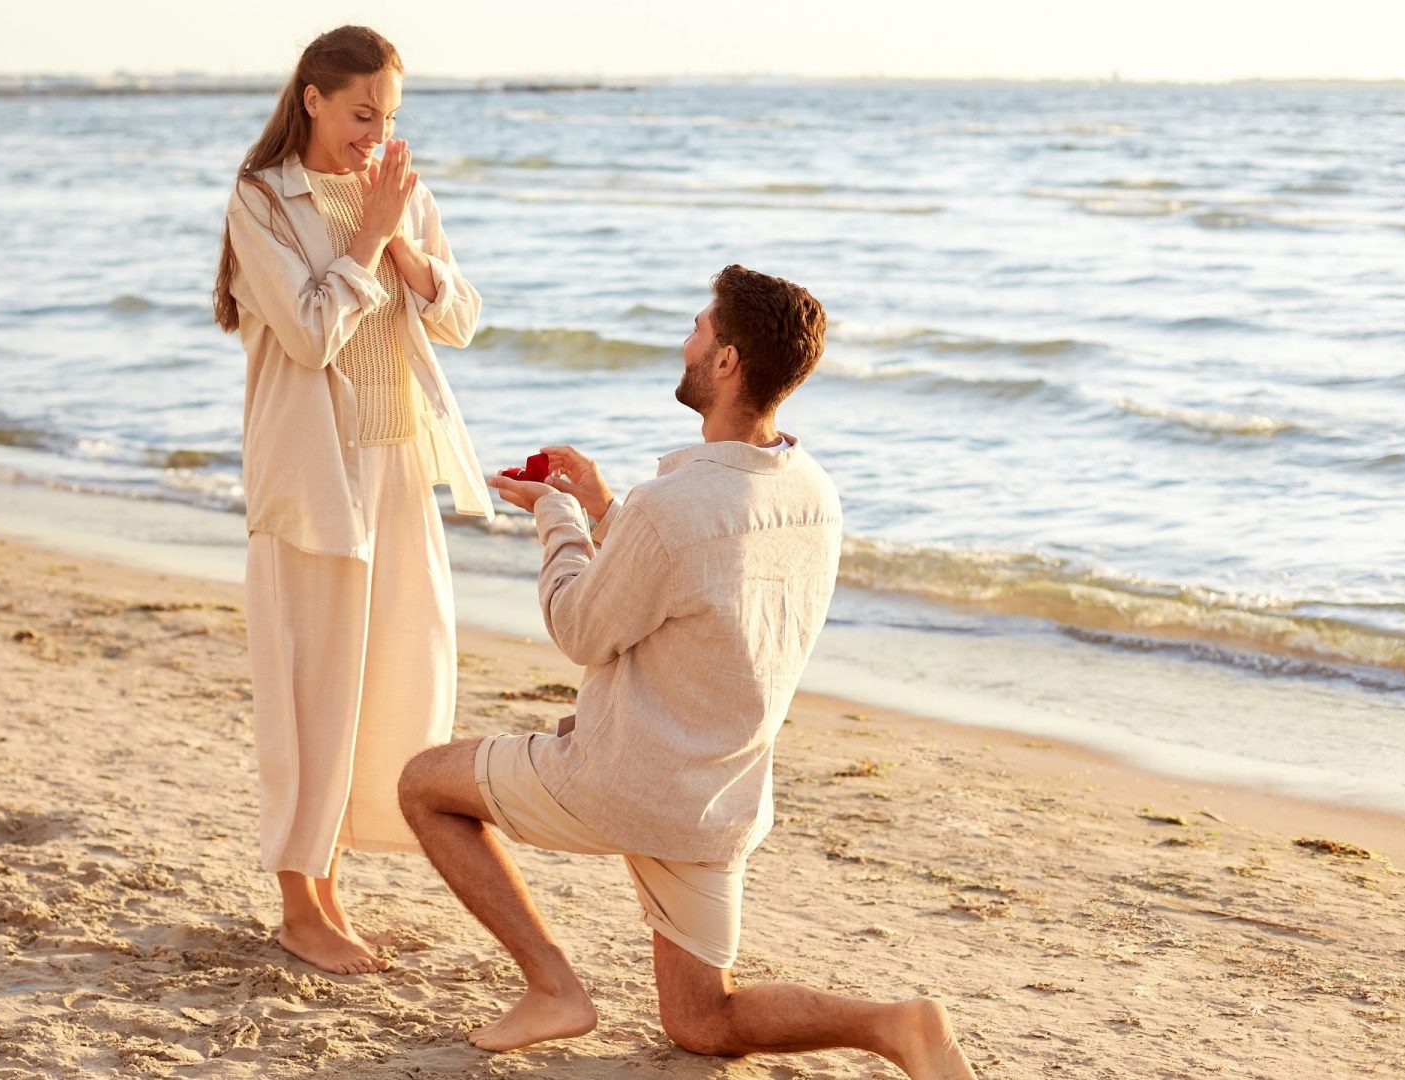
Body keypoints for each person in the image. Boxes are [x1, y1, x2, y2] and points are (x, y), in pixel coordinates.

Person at [397, 266, 978, 1078]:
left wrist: (559, 516)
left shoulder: (674, 509)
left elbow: (580, 627)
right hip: (718, 795)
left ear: (730, 361)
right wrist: (606, 508)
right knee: (703, 1021)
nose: (686, 340)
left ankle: (554, 987)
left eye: (699, 329)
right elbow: (704, 588)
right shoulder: (814, 493)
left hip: (622, 781)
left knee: (425, 784)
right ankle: (896, 1025)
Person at [213, 25, 489, 976]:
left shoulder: (399, 193)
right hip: (314, 473)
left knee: (392, 685)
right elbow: (312, 334)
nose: (377, 132)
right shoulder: (263, 200)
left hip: (400, 462)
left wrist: (413, 255)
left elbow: (461, 320)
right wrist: (373, 236)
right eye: (363, 112)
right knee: (311, 690)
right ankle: (300, 904)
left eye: (392, 116)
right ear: (314, 99)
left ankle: (331, 891)